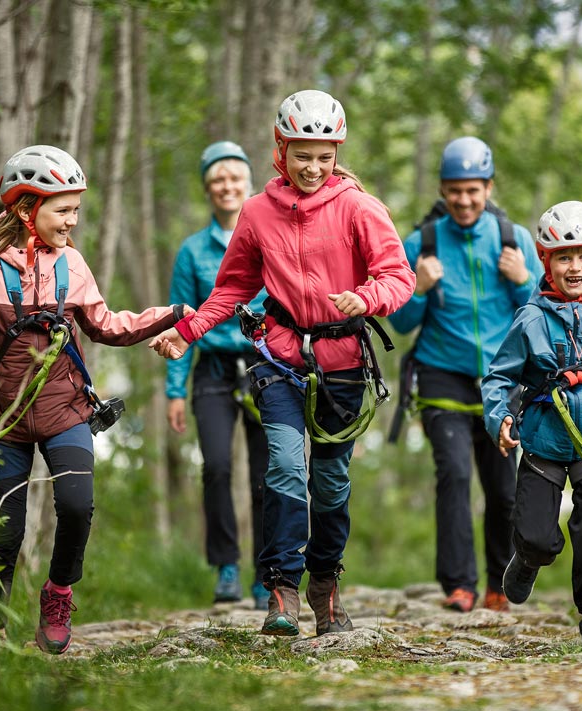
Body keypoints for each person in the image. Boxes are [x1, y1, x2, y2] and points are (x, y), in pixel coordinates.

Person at [149, 89, 415, 637]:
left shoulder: (359, 208)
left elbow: (398, 276)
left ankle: (326, 583)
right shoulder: (256, 212)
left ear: (336, 153)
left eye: (324, 155)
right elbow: (232, 289)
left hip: (343, 363)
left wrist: (365, 299)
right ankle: (281, 589)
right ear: (281, 149)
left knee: (332, 482)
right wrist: (186, 333)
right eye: (302, 154)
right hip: (280, 359)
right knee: (285, 468)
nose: (314, 166)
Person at [0, 145, 186, 655]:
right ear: (26, 209)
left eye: (76, 210)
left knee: (77, 507)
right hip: (4, 421)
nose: (73, 221)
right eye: (63, 210)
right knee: (5, 529)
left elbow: (106, 325)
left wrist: (170, 314)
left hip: (66, 412)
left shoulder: (72, 265)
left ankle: (58, 593)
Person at [480, 200, 582, 649]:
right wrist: (500, 418)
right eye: (564, 257)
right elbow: (499, 377)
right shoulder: (530, 321)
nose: (575, 267)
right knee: (538, 536)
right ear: (546, 262)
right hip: (542, 444)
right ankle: (528, 559)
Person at [387, 136, 544, 614]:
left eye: (473, 190)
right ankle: (458, 584)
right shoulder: (422, 242)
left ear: (488, 187)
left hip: (501, 383)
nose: (464, 200)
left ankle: (500, 581)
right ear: (443, 188)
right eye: (455, 190)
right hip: (441, 377)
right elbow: (400, 322)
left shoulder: (513, 239)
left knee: (501, 488)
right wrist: (419, 288)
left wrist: (523, 281)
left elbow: (542, 315)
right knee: (453, 474)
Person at [166, 140, 270, 610]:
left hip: (266, 365)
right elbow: (179, 323)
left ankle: (268, 572)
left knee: (269, 475)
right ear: (209, 189)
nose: (226, 186)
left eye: (234, 178)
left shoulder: (269, 236)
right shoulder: (192, 251)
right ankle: (226, 566)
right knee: (217, 468)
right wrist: (173, 391)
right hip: (211, 370)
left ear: (248, 184)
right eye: (217, 180)